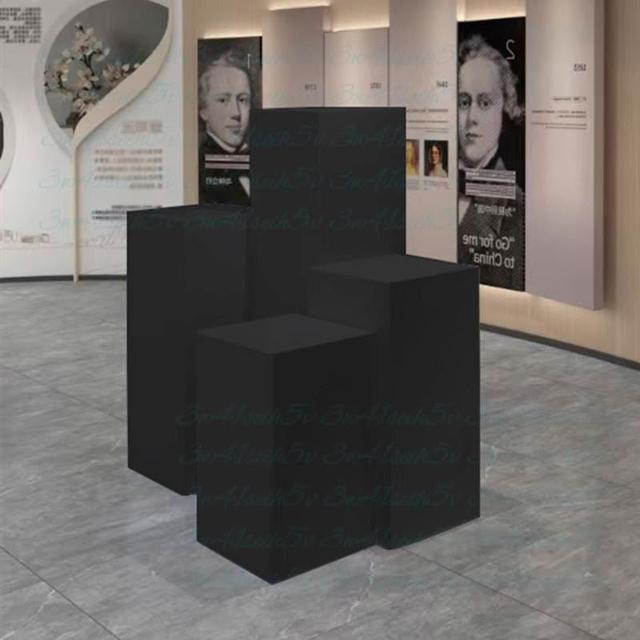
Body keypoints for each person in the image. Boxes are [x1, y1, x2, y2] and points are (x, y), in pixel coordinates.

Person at [457, 34, 525, 290]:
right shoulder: (430, 184)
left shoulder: (521, 211)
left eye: (485, 103)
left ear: (504, 109)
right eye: (464, 102)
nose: (471, 117)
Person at [199, 49, 252, 206]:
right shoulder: (195, 169)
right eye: (223, 100)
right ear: (204, 110)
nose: (236, 113)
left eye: (242, 100)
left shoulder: (263, 158)